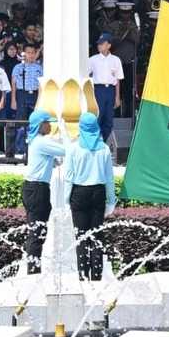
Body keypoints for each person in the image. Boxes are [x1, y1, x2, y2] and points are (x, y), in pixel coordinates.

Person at [64, 112, 116, 281]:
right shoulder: (105, 149)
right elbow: (109, 178)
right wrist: (111, 201)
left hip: (79, 193)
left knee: (81, 236)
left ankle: (83, 275)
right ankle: (97, 276)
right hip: (98, 193)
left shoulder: (73, 148)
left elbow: (69, 177)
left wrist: (65, 200)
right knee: (97, 237)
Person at [22, 109, 65, 274]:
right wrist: (67, 139)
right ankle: (33, 272)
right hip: (37, 189)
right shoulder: (41, 142)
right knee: (37, 231)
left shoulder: (37, 141)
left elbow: (50, 161)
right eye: (47, 123)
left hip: (33, 188)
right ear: (40, 125)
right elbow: (66, 150)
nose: (50, 126)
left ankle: (34, 267)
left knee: (37, 230)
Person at [88, 33, 124, 143]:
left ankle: (103, 141)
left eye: (102, 44)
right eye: (98, 44)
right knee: (98, 116)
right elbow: (85, 76)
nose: (99, 46)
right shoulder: (92, 59)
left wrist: (117, 97)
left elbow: (118, 80)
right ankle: (95, 142)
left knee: (109, 119)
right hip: (98, 90)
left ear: (109, 45)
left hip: (110, 91)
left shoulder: (116, 60)